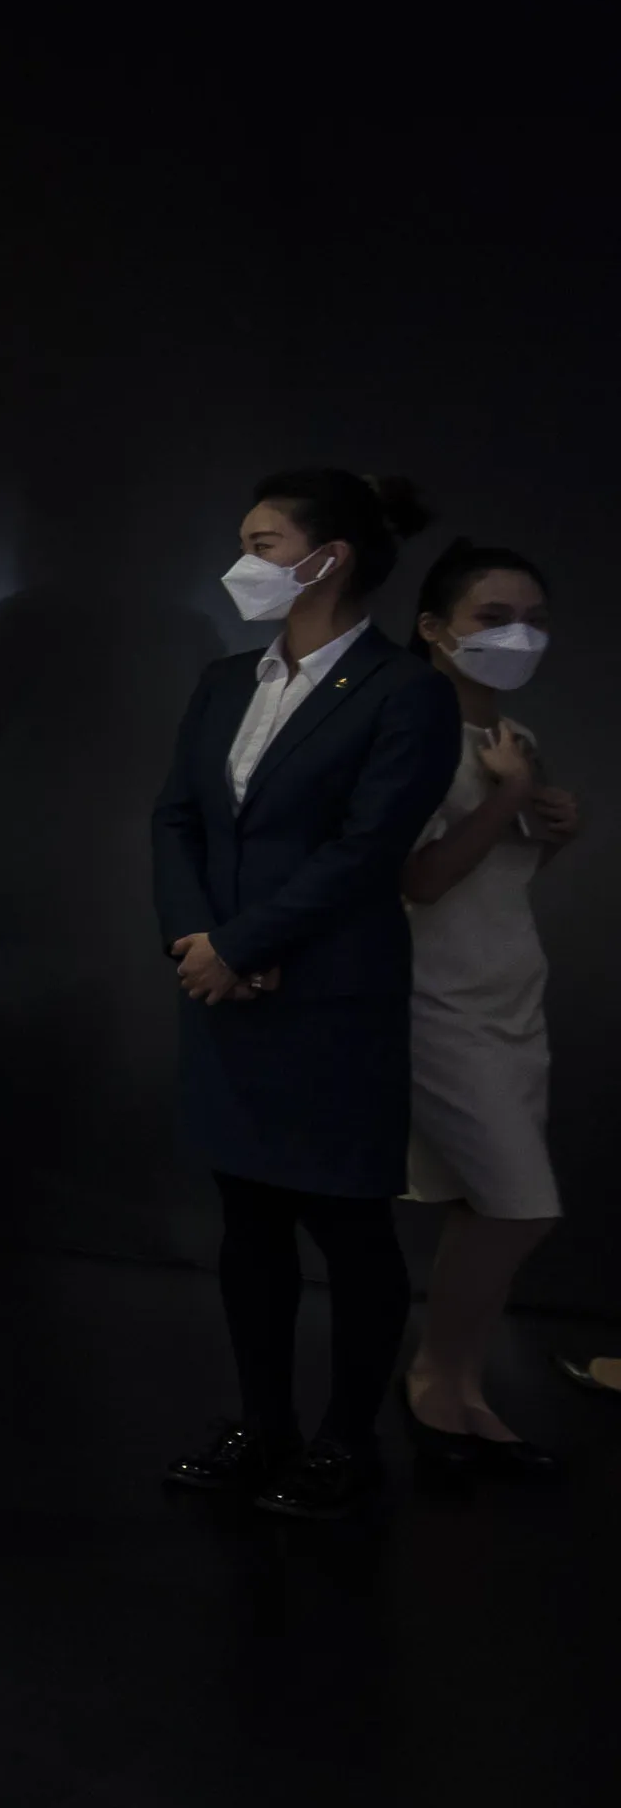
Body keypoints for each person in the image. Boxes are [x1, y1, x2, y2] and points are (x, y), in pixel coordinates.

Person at [151, 470, 461, 1519]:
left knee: (347, 1222)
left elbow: (367, 849)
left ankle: (344, 1441)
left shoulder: (404, 691)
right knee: (247, 1219)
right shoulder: (223, 680)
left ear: (329, 559)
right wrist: (199, 943)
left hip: (330, 998)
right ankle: (264, 1425)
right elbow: (176, 819)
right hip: (225, 989)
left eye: (262, 544)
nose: (242, 564)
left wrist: (244, 943)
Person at [396, 543, 587, 1444]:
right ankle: (434, 1371)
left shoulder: (517, 741)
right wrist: (507, 801)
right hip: (434, 999)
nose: (519, 637)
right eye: (494, 618)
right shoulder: (412, 735)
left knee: (488, 1206)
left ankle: (458, 1376)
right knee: (520, 1203)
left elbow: (501, 879)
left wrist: (553, 829)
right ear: (435, 628)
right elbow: (421, 880)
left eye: (535, 621)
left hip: (511, 993)